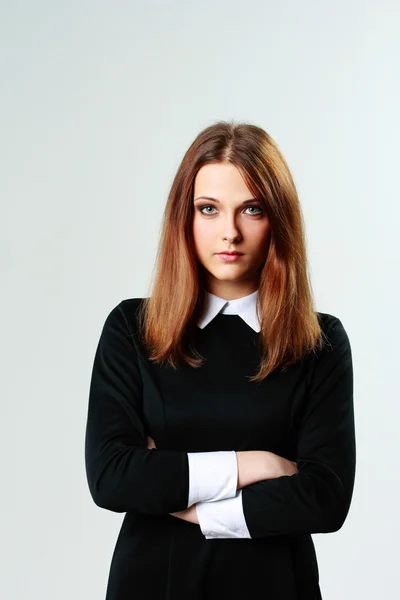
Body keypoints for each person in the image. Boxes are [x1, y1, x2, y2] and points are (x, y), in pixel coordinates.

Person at [84, 120, 356, 600]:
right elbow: (112, 477)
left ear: (277, 218)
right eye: (208, 209)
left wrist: (186, 502)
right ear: (184, 219)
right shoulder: (133, 329)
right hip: (154, 584)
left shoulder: (320, 342)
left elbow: (324, 499)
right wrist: (253, 464)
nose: (229, 232)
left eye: (250, 209)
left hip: (274, 586)